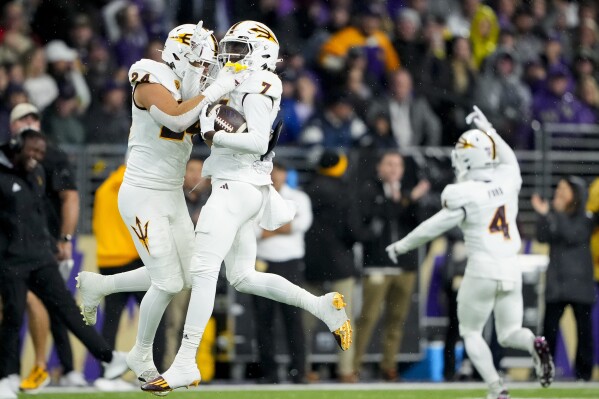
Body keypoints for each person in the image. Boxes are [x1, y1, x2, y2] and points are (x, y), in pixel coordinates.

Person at [142, 21, 352, 393]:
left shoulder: (261, 84)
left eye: (239, 50)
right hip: (243, 186)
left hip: (235, 186)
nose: (230, 56)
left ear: (263, 53)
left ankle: (186, 361)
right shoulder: (237, 79)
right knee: (242, 277)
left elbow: (256, 141)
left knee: (203, 269)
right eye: (230, 49)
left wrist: (215, 134)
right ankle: (321, 307)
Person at [76, 21, 240, 383]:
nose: (205, 70)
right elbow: (176, 117)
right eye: (201, 62)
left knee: (182, 279)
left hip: (170, 193)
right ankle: (141, 355)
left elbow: (207, 126)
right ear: (181, 54)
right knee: (166, 282)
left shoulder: (192, 87)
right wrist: (215, 92)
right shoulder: (150, 75)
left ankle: (100, 285)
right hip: (142, 193)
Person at [385, 106, 554, 399]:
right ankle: (534, 343)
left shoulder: (464, 193)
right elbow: (509, 157)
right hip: (510, 266)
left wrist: (402, 245)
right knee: (510, 332)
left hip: (482, 267)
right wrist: (489, 129)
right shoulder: (507, 178)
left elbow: (432, 227)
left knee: (471, 332)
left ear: (464, 158)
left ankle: (497, 388)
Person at [0, 130, 128, 399]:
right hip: (10, 261)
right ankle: (6, 377)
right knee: (12, 316)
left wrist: (55, 243)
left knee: (69, 310)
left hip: (41, 258)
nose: (36, 158)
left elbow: (38, 216)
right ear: (17, 147)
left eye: (40, 154)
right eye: (32, 152)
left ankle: (108, 357)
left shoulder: (36, 174)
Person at [7, 103, 84, 390]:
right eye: (23, 119)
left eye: (34, 118)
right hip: (11, 246)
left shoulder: (52, 156)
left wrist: (65, 238)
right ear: (12, 125)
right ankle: (13, 371)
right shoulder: (5, 157)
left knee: (52, 304)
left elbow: (70, 198)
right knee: (15, 307)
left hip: (46, 244)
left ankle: (59, 367)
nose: (30, 122)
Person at [352, 151, 430, 381]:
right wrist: (401, 199)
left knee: (396, 320)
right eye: (390, 163)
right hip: (377, 265)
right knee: (367, 318)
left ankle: (389, 365)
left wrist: (411, 200)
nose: (394, 168)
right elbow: (375, 219)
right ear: (380, 167)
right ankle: (353, 366)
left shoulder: (407, 195)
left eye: (398, 165)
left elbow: (419, 223)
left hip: (405, 267)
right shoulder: (369, 191)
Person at [91, 161, 166, 377]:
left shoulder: (104, 188)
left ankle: (106, 372)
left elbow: (97, 223)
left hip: (108, 260)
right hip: (135, 260)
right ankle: (154, 370)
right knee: (154, 315)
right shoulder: (137, 186)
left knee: (111, 319)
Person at [253, 161, 313, 384]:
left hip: (290, 264)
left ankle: (298, 370)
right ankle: (269, 372)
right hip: (262, 264)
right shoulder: (255, 197)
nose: (274, 176)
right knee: (263, 320)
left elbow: (302, 224)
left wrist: (267, 228)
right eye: (270, 171)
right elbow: (252, 230)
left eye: (278, 171)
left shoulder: (299, 197)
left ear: (285, 174)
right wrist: (283, 227)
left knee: (293, 319)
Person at [531, 177, 596, 381]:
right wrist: (543, 216)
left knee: (584, 332)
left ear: (575, 193)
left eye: (564, 189)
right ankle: (543, 371)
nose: (558, 192)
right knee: (548, 332)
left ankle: (583, 374)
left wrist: (552, 214)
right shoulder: (553, 214)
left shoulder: (586, 216)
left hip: (580, 283)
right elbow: (542, 237)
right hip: (557, 283)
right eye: (557, 187)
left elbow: (572, 234)